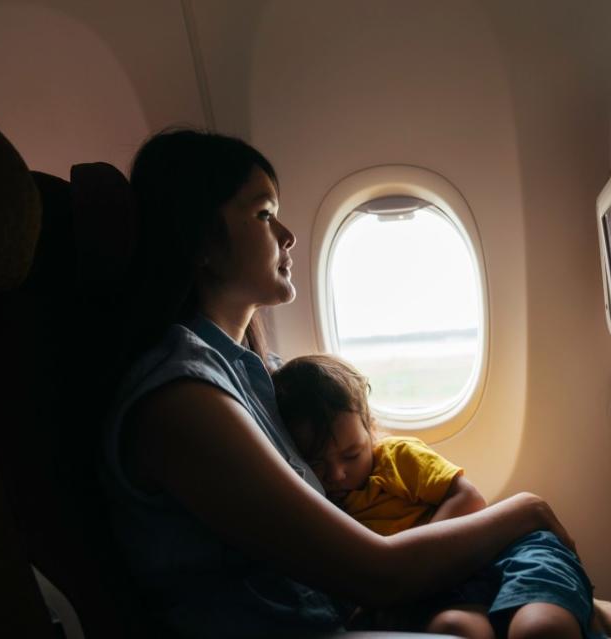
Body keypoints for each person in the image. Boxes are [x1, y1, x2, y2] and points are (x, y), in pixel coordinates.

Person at [99, 128, 583, 638]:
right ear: (201, 240)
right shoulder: (184, 402)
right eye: (264, 214)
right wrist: (525, 511)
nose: (287, 235)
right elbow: (375, 574)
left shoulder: (264, 377)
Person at [272, 354, 611, 639]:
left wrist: (421, 553)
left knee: (542, 629)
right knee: (457, 632)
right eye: (317, 464)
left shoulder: (396, 458)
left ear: (370, 428)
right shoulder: (325, 503)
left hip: (504, 551)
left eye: (352, 453)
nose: (337, 473)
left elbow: (469, 500)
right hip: (446, 589)